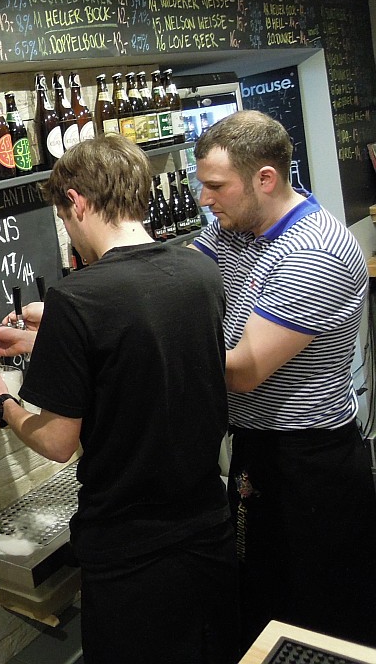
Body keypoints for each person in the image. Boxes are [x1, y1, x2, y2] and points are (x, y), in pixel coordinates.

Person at [0, 134, 239, 664]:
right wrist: (50, 341)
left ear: (77, 202)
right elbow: (143, 349)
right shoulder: (201, 273)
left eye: (63, 218)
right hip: (208, 526)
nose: (69, 232)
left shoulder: (76, 298)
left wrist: (2, 402)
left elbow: (57, 442)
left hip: (128, 551)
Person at [191, 109, 376, 649]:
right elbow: (173, 281)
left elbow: (245, 370)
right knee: (260, 606)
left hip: (309, 464)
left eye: (216, 186)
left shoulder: (314, 249)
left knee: (319, 625)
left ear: (265, 179)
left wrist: (143, 351)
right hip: (256, 449)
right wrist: (72, 319)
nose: (205, 199)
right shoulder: (233, 230)